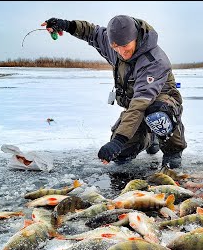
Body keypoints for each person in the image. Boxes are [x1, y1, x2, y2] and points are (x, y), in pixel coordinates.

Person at [41, 15, 187, 168]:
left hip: (160, 102)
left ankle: (172, 150)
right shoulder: (116, 47)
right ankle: (150, 138)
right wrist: (65, 25)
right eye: (116, 47)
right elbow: (92, 32)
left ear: (136, 37)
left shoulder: (154, 61)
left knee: (157, 114)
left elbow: (140, 104)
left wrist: (119, 140)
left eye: (125, 46)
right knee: (120, 154)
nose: (121, 52)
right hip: (134, 107)